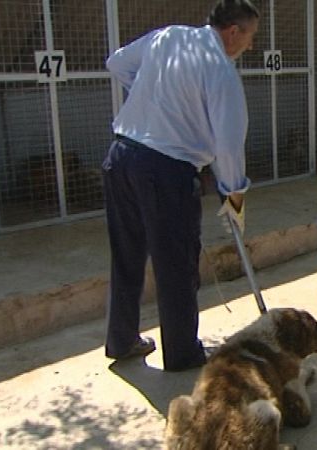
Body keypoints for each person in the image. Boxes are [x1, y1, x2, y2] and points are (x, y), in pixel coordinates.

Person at [102, 0, 259, 371]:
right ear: (233, 31)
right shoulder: (220, 71)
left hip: (121, 157)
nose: (250, 45)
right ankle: (182, 352)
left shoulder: (168, 37)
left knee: (127, 256)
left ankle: (121, 340)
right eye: (250, 36)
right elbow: (228, 145)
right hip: (165, 170)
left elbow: (117, 63)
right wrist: (234, 193)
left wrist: (155, 101)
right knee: (176, 264)